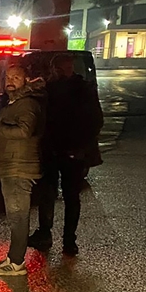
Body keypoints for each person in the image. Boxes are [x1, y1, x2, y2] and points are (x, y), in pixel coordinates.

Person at [29, 54, 103, 257]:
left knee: (50, 194)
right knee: (70, 197)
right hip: (71, 152)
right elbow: (96, 121)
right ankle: (68, 241)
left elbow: (92, 121)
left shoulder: (52, 90)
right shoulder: (84, 89)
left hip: (56, 150)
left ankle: (47, 235)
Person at [0, 63, 46, 277]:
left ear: (26, 80)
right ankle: (13, 258)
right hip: (12, 166)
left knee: (18, 216)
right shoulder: (14, 102)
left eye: (16, 77)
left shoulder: (27, 104)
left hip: (20, 168)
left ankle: (16, 263)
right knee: (15, 216)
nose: (10, 81)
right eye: (8, 77)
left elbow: (24, 131)